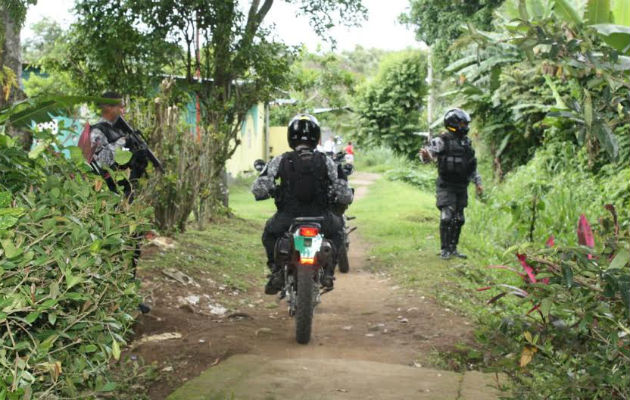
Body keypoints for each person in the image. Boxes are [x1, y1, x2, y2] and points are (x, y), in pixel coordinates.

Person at [252, 114, 354, 294]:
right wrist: (339, 198)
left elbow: (259, 188)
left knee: (269, 234)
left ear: (291, 136)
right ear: (316, 137)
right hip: (322, 218)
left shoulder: (280, 160)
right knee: (338, 233)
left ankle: (276, 271)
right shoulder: (327, 161)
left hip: (288, 218)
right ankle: (329, 272)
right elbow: (345, 193)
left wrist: (270, 191)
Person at [420, 108, 483, 260]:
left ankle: (453, 249)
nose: (465, 126)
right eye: (462, 123)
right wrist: (425, 155)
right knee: (447, 217)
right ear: (453, 124)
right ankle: (444, 250)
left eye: (466, 123)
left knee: (459, 219)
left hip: (461, 186)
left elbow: (472, 166)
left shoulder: (466, 143)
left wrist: (478, 183)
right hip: (446, 185)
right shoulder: (442, 140)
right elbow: (428, 155)